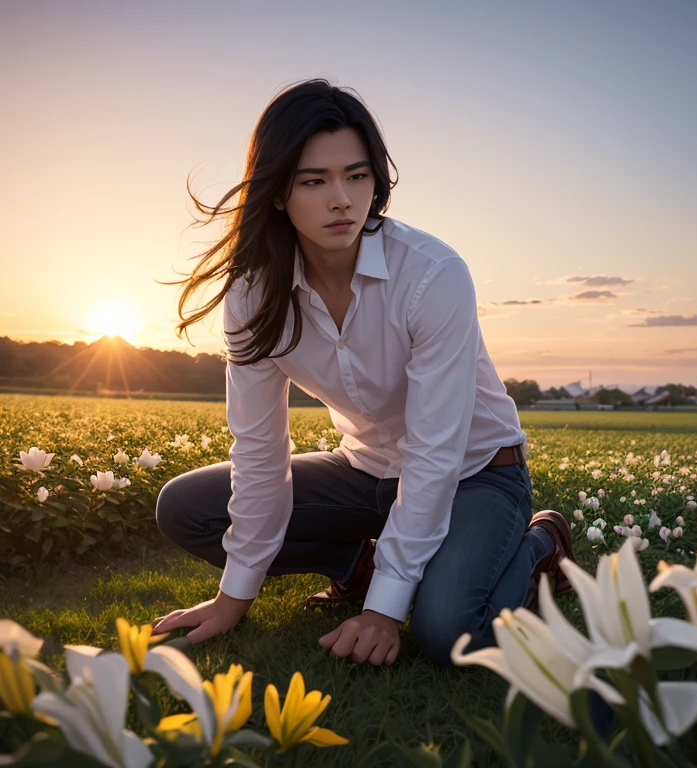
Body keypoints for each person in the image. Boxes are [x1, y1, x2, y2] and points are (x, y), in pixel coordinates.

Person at [152, 78, 574, 668]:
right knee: (187, 506)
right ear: (277, 193)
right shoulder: (252, 294)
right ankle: (360, 564)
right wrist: (232, 599)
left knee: (447, 631)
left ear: (376, 180)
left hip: (474, 473)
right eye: (313, 181)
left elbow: (434, 450)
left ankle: (540, 546)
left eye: (356, 175)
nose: (342, 199)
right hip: (366, 473)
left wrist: (384, 609)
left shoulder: (433, 274)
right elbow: (258, 451)